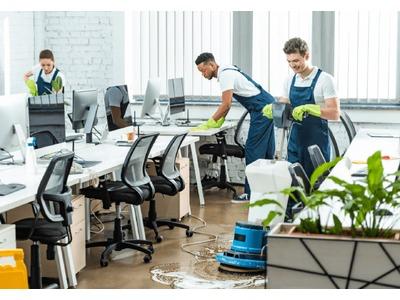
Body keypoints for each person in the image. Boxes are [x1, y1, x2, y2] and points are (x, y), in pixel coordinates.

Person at [195, 52, 275, 203]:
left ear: (212, 65)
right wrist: (219, 120)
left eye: (203, 70)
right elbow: (227, 105)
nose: (203, 74)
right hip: (267, 106)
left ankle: (250, 194)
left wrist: (210, 122)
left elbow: (226, 104)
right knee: (267, 151)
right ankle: (267, 190)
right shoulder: (229, 70)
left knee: (253, 150)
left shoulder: (225, 75)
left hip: (262, 110)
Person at [263, 37, 340, 178]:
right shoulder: (290, 80)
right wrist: (275, 108)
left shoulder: (325, 79)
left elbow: (335, 113)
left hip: (316, 145)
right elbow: (285, 104)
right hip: (294, 141)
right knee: (294, 185)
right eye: (289, 61)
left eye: (296, 61)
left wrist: (312, 109)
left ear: (307, 56)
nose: (292, 65)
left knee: (316, 184)